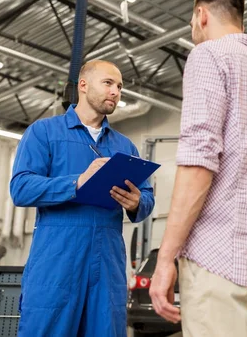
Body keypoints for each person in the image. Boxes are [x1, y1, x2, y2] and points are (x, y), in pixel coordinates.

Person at [149, 0, 247, 337]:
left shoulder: (208, 55)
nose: (193, 31)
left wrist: (165, 258)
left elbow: (199, 161)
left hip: (217, 258)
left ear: (201, 15)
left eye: (191, 22)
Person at [10, 60, 155, 337]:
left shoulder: (124, 146)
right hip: (57, 260)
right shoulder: (44, 133)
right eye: (108, 83)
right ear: (84, 86)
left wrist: (137, 203)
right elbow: (21, 188)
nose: (116, 91)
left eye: (120, 87)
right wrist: (76, 182)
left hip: (108, 263)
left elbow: (146, 196)